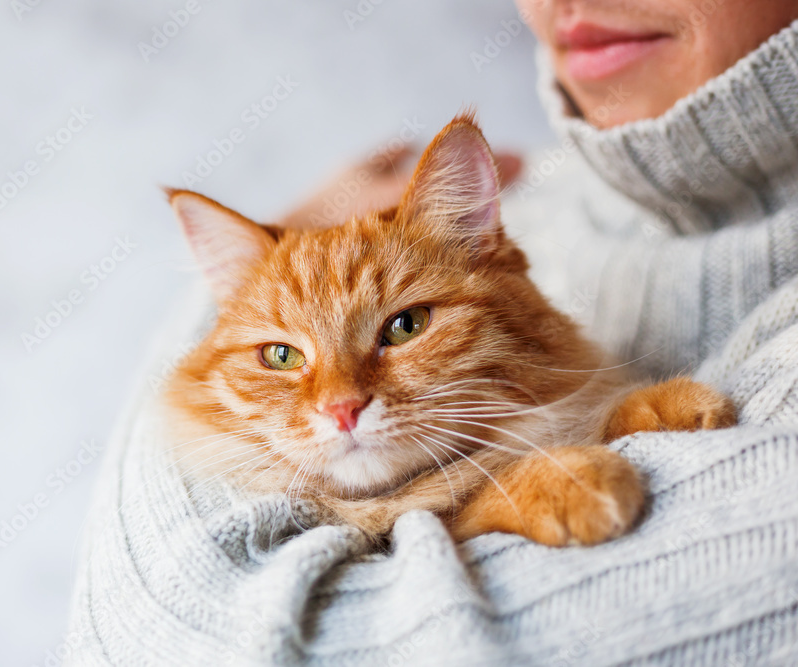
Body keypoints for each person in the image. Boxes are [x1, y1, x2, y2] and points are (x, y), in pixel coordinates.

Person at [65, 2, 798, 664]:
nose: (340, 401)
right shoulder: (544, 184)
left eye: (404, 325)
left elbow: (213, 640)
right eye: (282, 355)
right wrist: (249, 278)